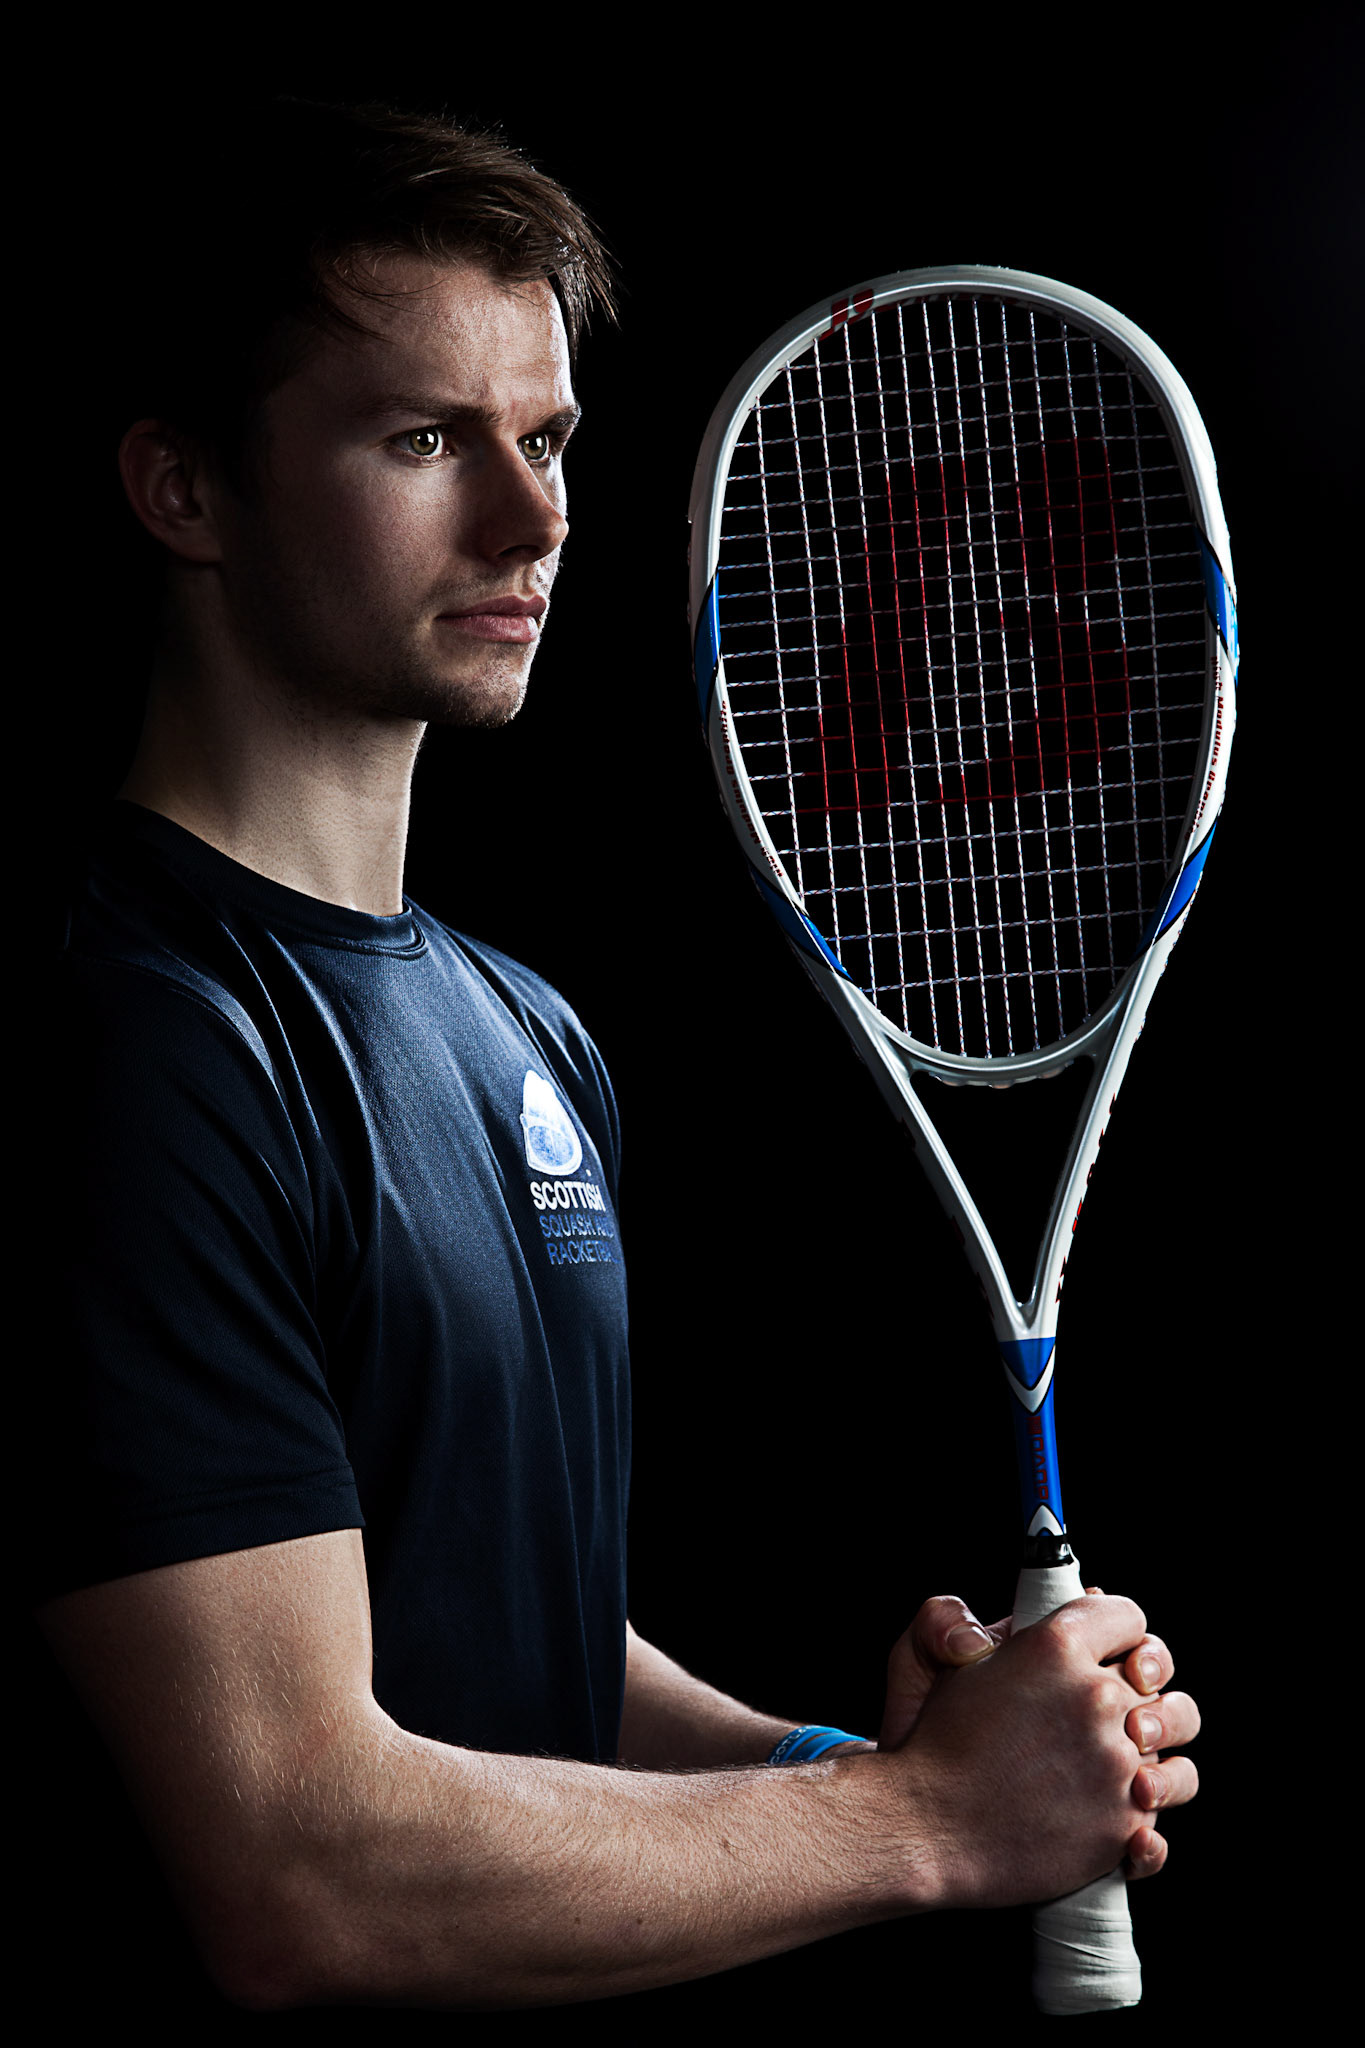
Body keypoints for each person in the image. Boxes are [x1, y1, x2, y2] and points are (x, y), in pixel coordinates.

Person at [31, 98, 1198, 2016]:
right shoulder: (142, 1050)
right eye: (423, 439)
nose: (533, 515)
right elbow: (298, 1865)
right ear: (183, 490)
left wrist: (851, 1770)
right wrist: (926, 1832)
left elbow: (521, 1665)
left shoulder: (522, 1032)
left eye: (547, 437)